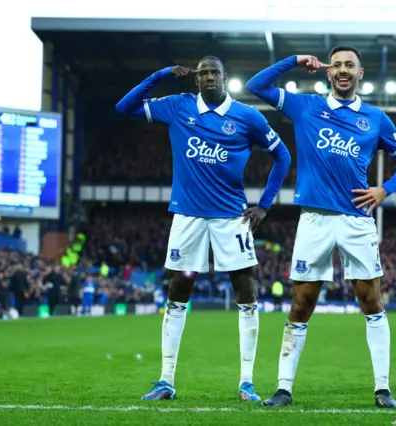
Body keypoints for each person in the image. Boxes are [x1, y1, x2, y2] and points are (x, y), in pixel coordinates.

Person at [246, 46, 396, 408]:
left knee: (370, 299)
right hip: (315, 220)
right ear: (328, 72)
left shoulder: (375, 118)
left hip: (357, 220)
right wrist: (294, 61)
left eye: (349, 65)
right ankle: (283, 387)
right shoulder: (305, 106)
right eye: (337, 64)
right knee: (302, 301)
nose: (343, 70)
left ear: (361, 73)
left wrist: (384, 190)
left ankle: (383, 388)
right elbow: (256, 85)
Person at [116, 55, 291, 402]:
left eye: (215, 72)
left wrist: (265, 205)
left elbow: (283, 155)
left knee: (246, 291)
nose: (210, 77)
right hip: (188, 217)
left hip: (231, 218)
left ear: (225, 78)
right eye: (204, 73)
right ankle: (166, 380)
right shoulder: (178, 107)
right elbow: (125, 107)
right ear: (196, 79)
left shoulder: (247, 116)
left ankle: (246, 382)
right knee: (178, 290)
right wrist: (162, 73)